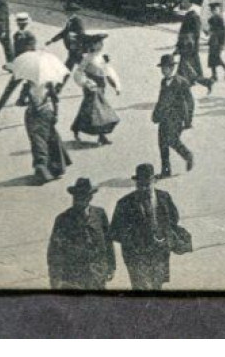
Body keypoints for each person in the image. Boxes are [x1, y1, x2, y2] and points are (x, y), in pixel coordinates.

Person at [108, 163, 181, 291]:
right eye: (140, 184)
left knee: (157, 287)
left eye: (147, 183)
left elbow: (174, 219)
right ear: (136, 183)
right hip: (137, 257)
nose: (144, 188)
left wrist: (164, 235)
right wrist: (134, 240)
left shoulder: (164, 197)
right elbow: (115, 231)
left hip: (159, 253)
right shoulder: (124, 203)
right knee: (141, 289)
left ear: (154, 181)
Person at [47, 177, 116, 291]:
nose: (79, 199)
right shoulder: (63, 219)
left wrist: (111, 267)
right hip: (73, 277)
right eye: (77, 196)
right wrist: (55, 277)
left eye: (83, 195)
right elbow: (54, 250)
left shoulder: (100, 214)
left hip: (97, 274)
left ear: (90, 197)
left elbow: (108, 241)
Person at [68, 34, 120, 146]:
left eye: (102, 43)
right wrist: (86, 82)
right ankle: (102, 136)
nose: (101, 45)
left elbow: (107, 72)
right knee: (98, 111)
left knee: (89, 110)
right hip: (91, 87)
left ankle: (76, 127)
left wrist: (115, 85)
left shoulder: (102, 57)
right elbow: (79, 72)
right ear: (93, 45)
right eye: (99, 43)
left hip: (101, 86)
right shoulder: (87, 58)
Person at [152, 54, 196, 177]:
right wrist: (156, 113)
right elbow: (161, 99)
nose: (163, 71)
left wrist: (188, 121)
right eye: (162, 68)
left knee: (172, 140)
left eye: (165, 68)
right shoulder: (163, 82)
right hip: (164, 117)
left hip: (176, 118)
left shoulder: (181, 82)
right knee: (162, 143)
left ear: (172, 68)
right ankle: (166, 171)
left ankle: (188, 155)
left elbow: (189, 102)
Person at [22, 79, 72, 184]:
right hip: (45, 114)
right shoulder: (48, 84)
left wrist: (28, 102)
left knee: (39, 142)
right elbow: (55, 101)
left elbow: (20, 102)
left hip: (34, 117)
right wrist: (55, 114)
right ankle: (53, 168)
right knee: (48, 141)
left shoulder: (27, 86)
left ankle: (43, 170)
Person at [171, 1, 215, 93]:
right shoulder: (190, 14)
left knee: (186, 69)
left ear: (187, 2)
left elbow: (195, 34)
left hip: (188, 47)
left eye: (182, 2)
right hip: (188, 47)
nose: (181, 5)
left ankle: (206, 82)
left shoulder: (193, 15)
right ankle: (186, 87)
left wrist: (180, 46)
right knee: (188, 69)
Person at [205, 1, 225, 83]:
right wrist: (207, 32)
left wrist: (222, 43)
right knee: (211, 57)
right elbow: (210, 30)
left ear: (218, 10)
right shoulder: (211, 19)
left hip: (218, 41)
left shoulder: (220, 19)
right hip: (212, 41)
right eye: (212, 10)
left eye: (215, 10)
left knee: (216, 57)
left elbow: (224, 32)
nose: (214, 11)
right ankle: (214, 75)